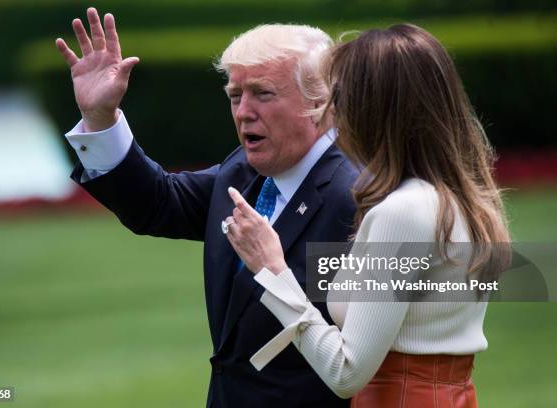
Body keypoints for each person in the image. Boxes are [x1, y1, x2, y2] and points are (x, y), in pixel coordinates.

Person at [55, 7, 360, 408]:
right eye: (235, 96)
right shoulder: (243, 173)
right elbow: (158, 202)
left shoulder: (355, 197)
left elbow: (363, 355)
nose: (243, 111)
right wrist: (100, 117)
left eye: (263, 93)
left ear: (320, 102)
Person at [225, 23, 511, 407]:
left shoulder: (402, 211)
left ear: (374, 109)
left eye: (339, 97)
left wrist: (273, 271)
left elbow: (347, 372)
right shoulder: (464, 199)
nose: (330, 113)